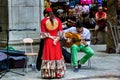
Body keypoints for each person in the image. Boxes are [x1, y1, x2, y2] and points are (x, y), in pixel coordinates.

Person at [40, 8, 66, 78]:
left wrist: (51, 37)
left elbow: (43, 34)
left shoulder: (43, 21)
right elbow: (61, 33)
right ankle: (58, 73)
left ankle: (48, 74)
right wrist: (56, 39)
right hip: (56, 42)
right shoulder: (58, 20)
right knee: (57, 56)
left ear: (45, 14)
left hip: (48, 41)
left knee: (49, 56)